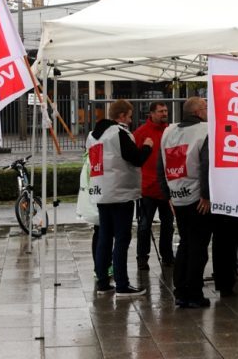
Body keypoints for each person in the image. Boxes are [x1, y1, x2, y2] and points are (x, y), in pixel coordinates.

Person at [88, 99, 153, 297]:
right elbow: (136, 158)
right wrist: (148, 146)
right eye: (130, 116)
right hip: (120, 192)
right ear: (122, 116)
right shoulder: (119, 133)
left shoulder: (93, 135)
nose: (131, 120)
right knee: (122, 239)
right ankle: (122, 284)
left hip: (102, 192)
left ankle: (102, 282)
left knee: (104, 237)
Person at [158, 97, 212, 308]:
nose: (208, 111)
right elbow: (206, 164)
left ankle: (180, 291)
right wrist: (207, 195)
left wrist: (168, 195)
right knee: (198, 248)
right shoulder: (204, 131)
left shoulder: (168, 132)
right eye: (206, 107)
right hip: (198, 199)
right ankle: (194, 293)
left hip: (178, 197)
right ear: (198, 111)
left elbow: (160, 165)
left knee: (185, 244)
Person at [134, 101, 174, 270]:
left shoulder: (171, 130)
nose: (164, 113)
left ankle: (167, 256)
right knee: (144, 226)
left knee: (168, 225)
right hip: (148, 188)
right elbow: (135, 158)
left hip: (166, 187)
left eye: (165, 110)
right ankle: (142, 257)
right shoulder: (141, 133)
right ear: (151, 113)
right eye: (160, 111)